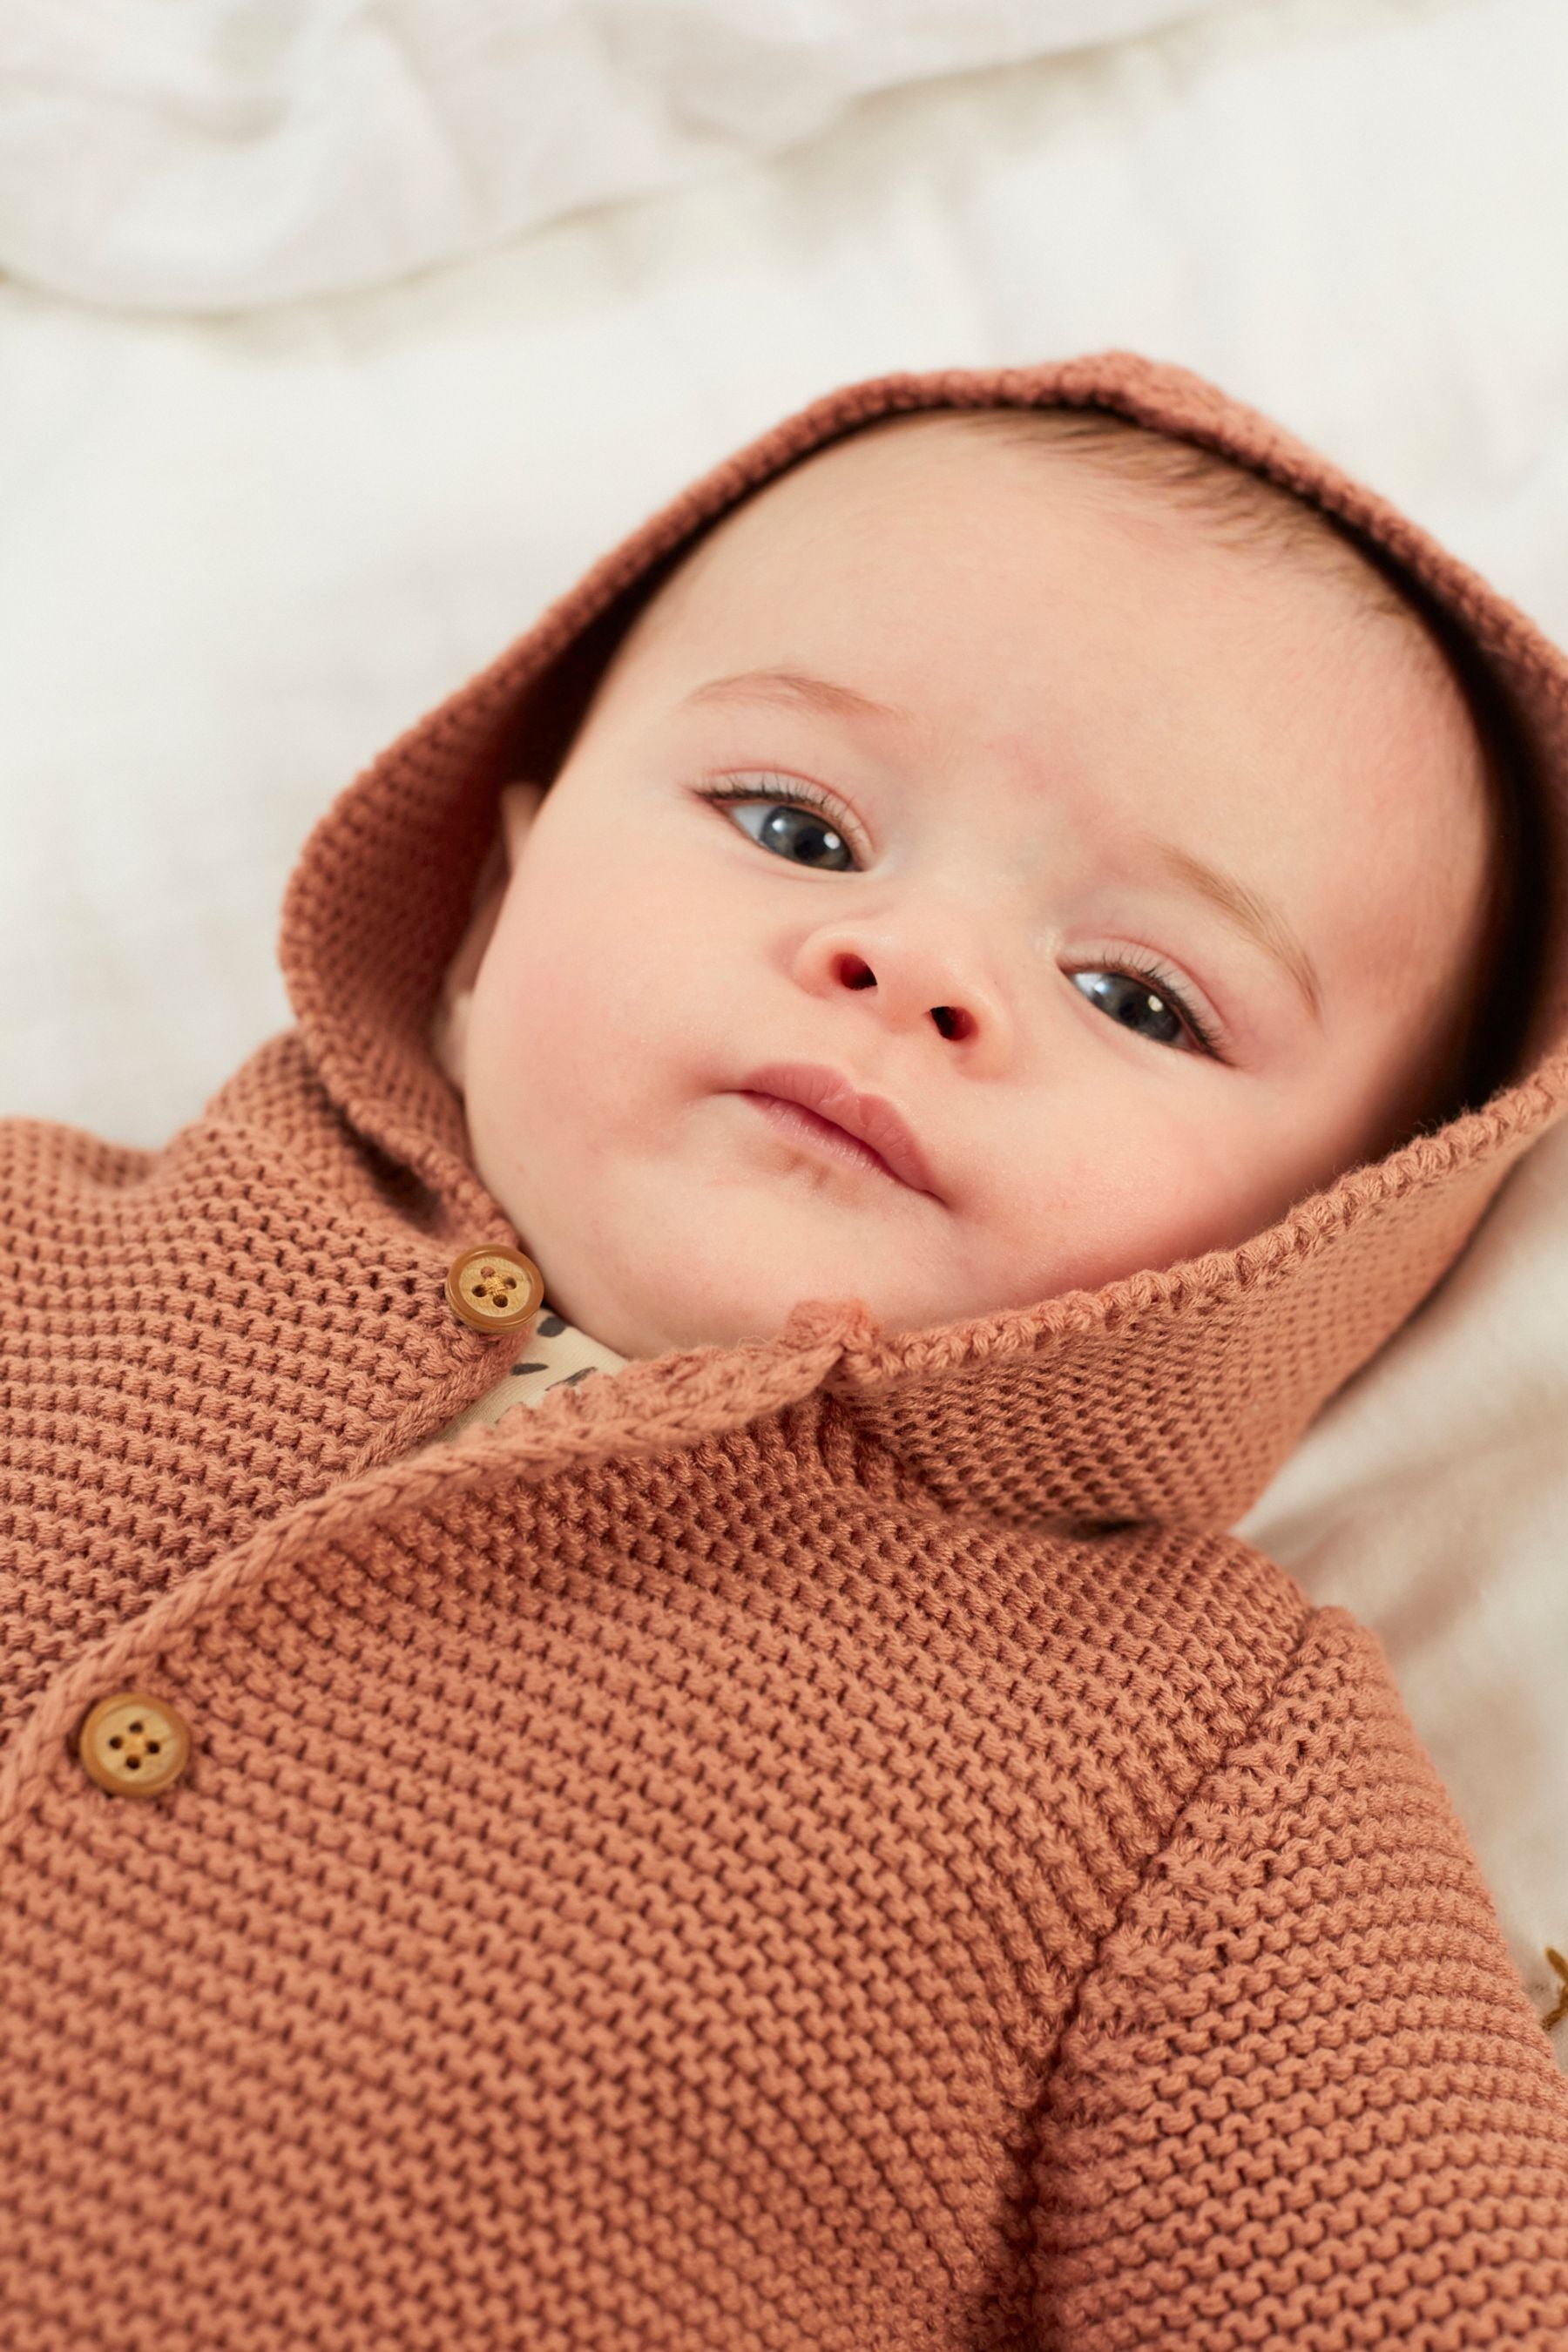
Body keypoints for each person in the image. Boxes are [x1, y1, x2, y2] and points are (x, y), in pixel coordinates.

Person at [3, 352, 1565, 2349]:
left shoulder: (1196, 1771)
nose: (914, 966)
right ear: (489, 911)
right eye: (798, 829)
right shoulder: (37, 1233)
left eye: (1141, 997)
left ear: (1331, 1247)